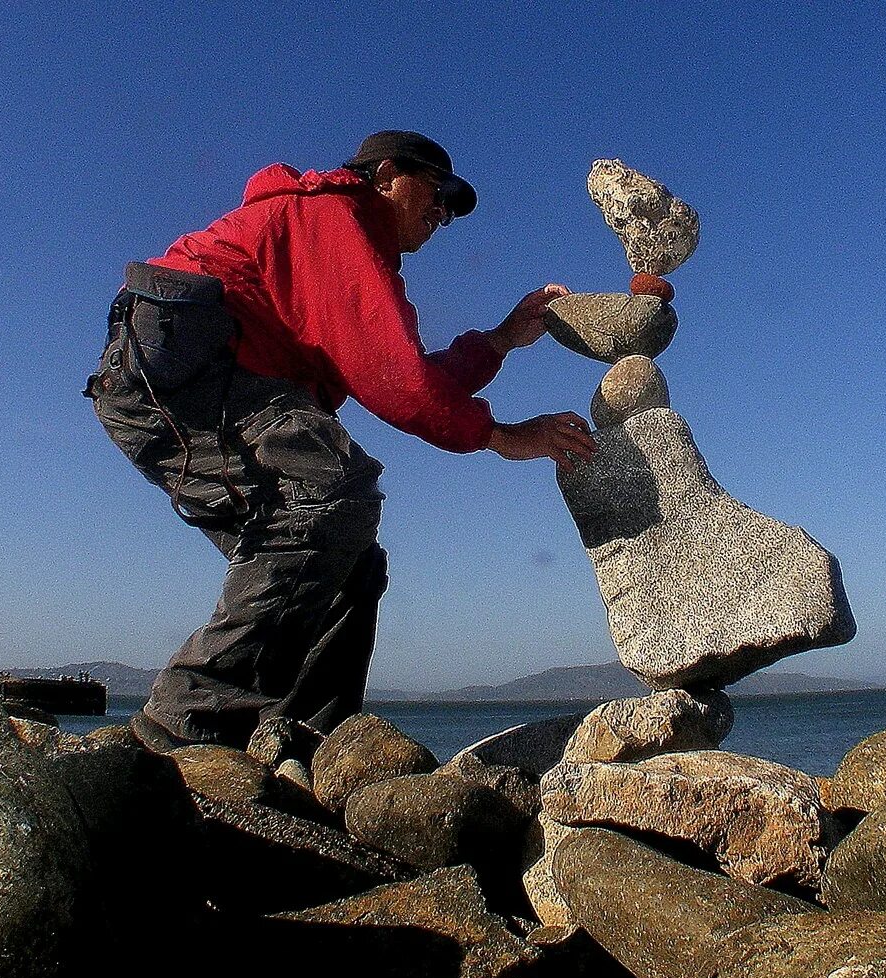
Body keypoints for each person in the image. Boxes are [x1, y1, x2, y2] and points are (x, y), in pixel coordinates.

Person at [86, 130, 595, 754]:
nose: (442, 214)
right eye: (440, 193)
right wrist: (500, 435)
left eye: (452, 209)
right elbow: (399, 382)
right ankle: (177, 737)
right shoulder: (331, 217)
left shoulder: (349, 247)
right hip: (185, 366)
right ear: (386, 175)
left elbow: (405, 370)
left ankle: (312, 746)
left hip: (187, 378)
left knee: (348, 561)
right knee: (332, 495)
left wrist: (501, 339)